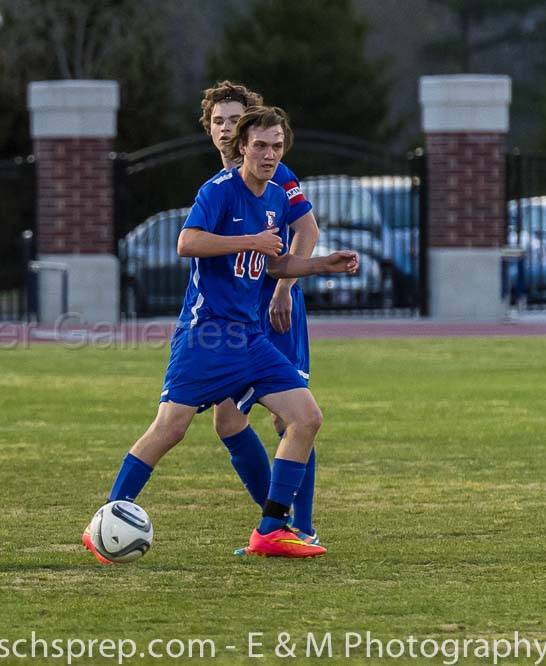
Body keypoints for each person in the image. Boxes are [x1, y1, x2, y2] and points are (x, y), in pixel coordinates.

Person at [84, 106, 358, 560]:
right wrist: (249, 240)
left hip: (250, 338)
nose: (268, 155)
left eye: (276, 147)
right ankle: (107, 517)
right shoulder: (219, 190)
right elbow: (187, 242)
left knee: (306, 417)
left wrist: (317, 265)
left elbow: (269, 262)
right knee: (170, 428)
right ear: (243, 148)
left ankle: (272, 529)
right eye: (260, 146)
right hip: (208, 336)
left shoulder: (274, 196)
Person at [201, 81, 321, 548]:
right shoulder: (219, 185)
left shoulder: (276, 171)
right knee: (226, 418)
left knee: (286, 417)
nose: (227, 127)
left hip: (274, 309)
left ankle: (301, 527)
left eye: (235, 118)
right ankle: (275, 521)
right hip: (234, 317)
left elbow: (306, 230)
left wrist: (285, 290)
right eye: (219, 121)